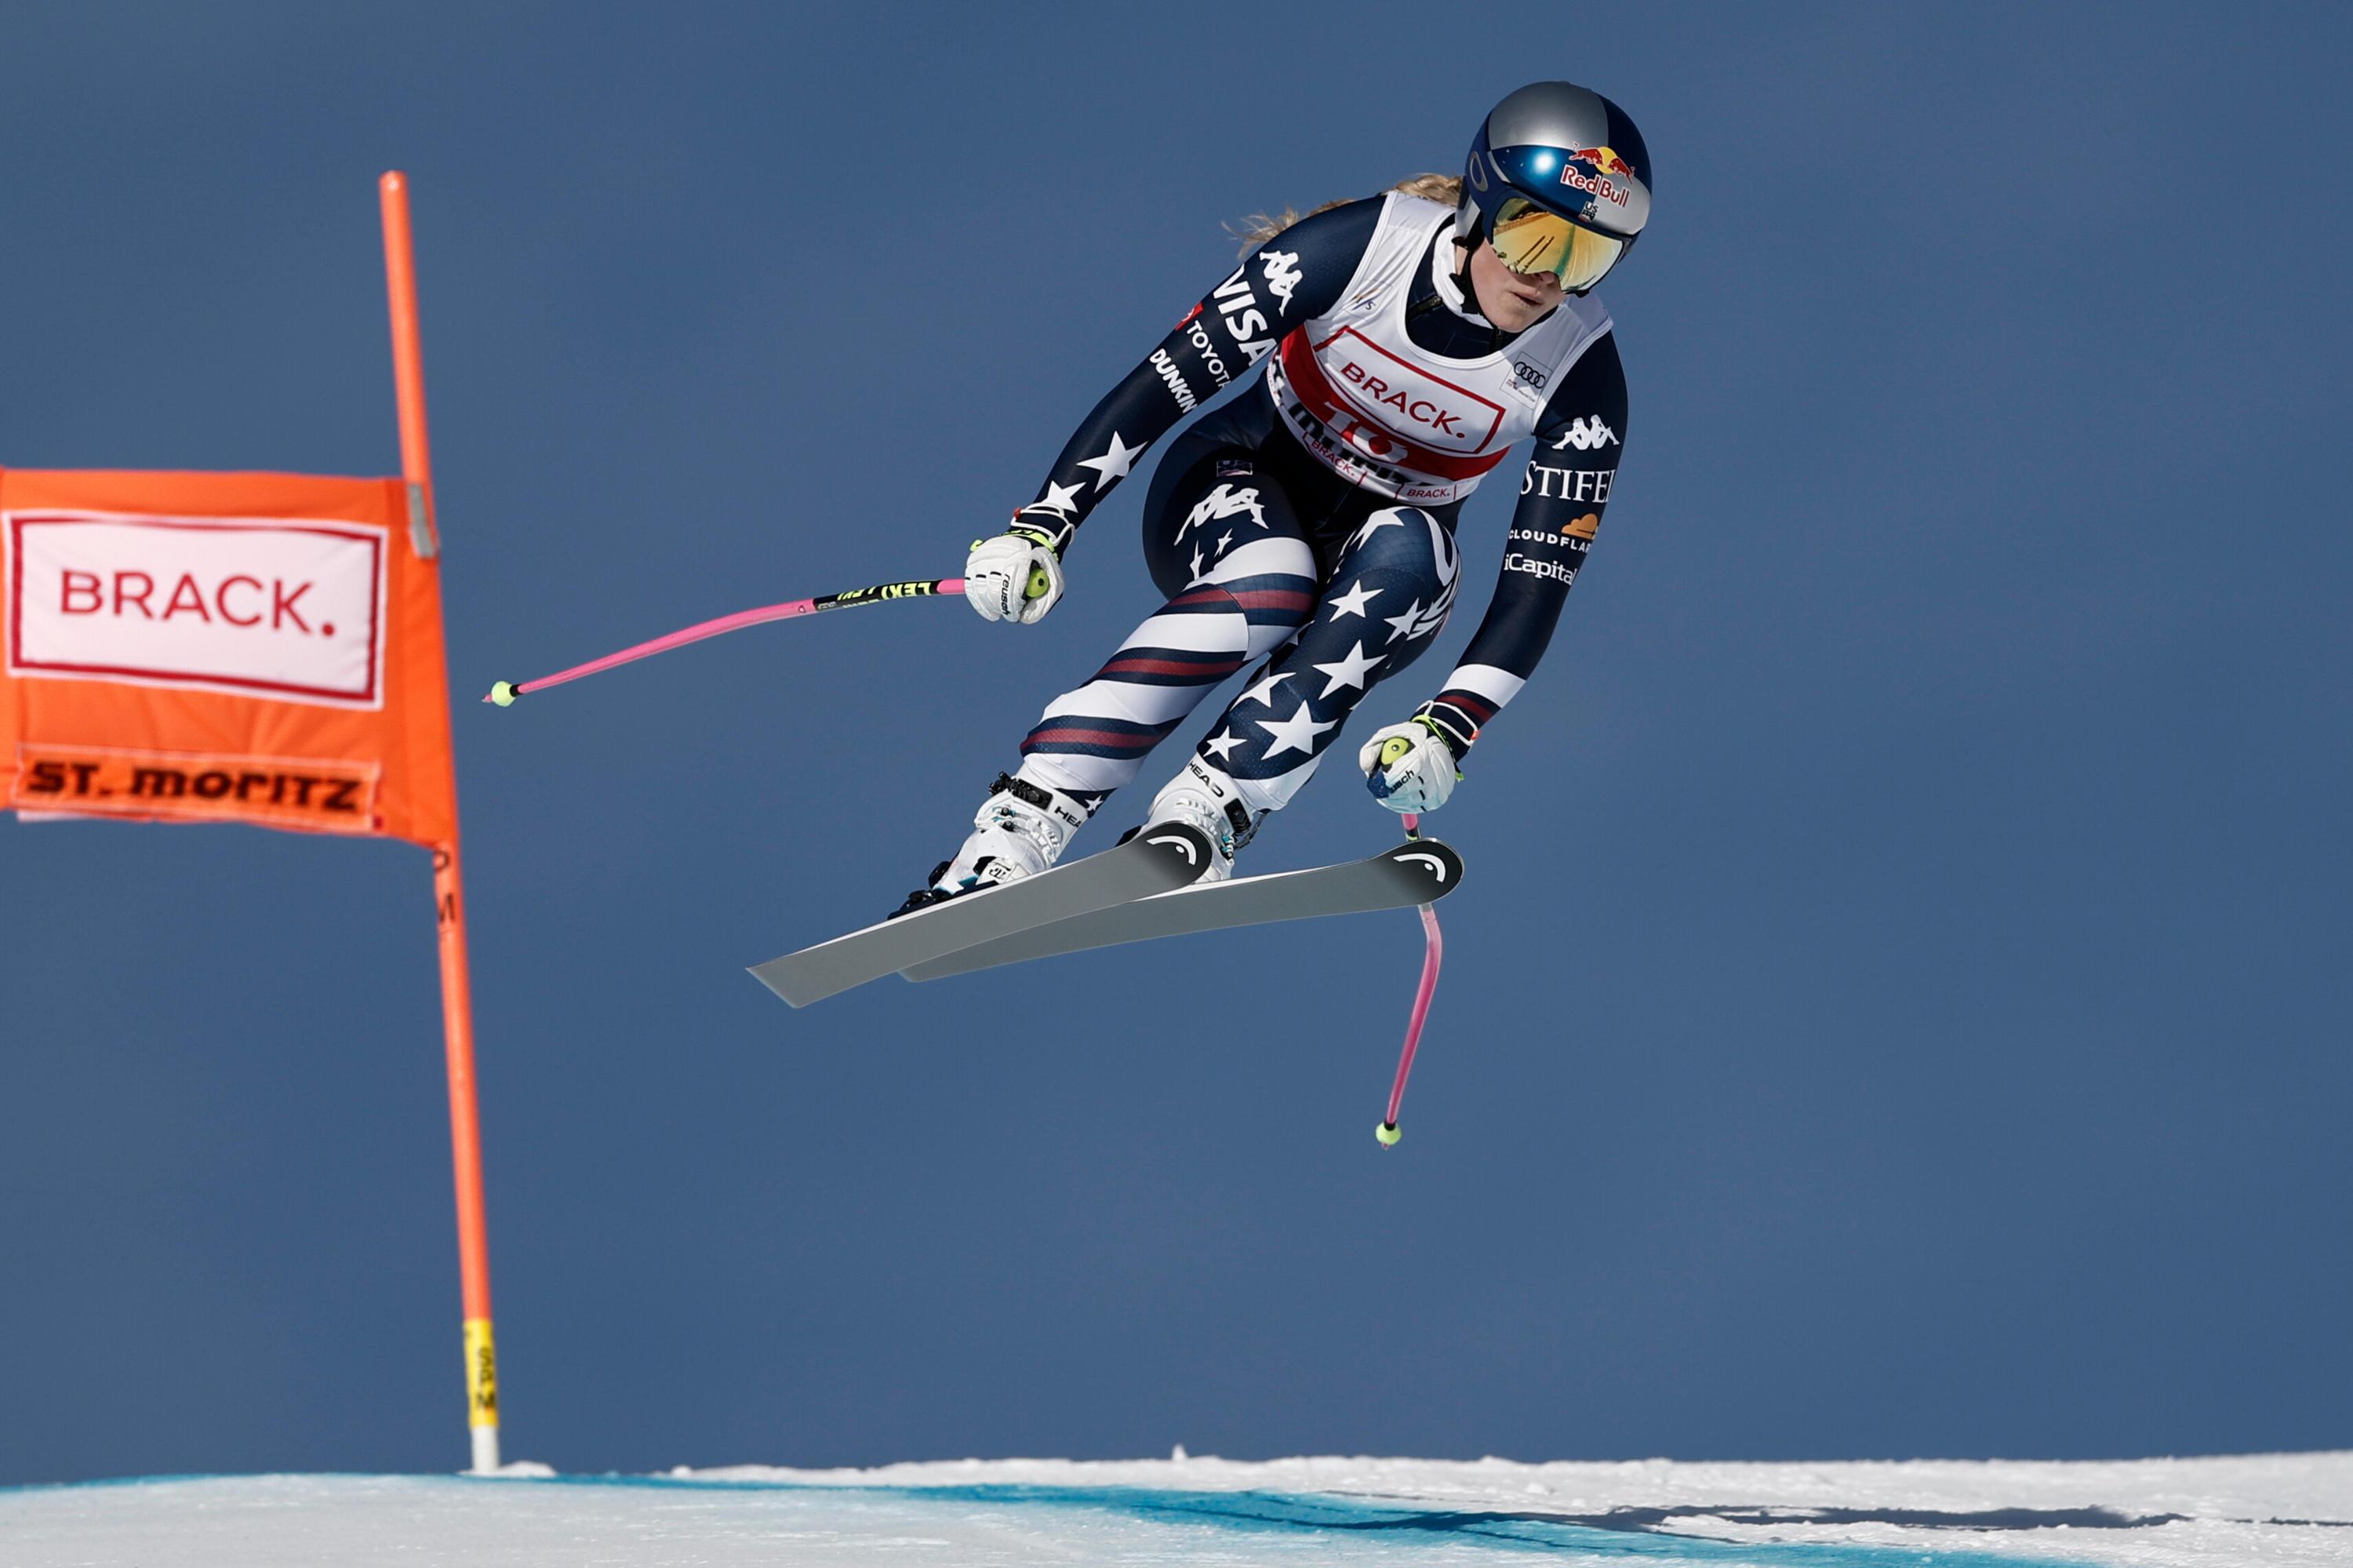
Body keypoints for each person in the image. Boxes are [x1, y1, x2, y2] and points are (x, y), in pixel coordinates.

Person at [906, 81, 1650, 913]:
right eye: (1533, 233)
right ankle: (1022, 821)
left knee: (1415, 550)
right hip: (1229, 485)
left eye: (1586, 256)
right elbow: (1166, 382)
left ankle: (1211, 808)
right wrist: (1047, 522)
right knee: (1274, 575)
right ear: (1482, 204)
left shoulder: (1581, 370)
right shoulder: (1359, 249)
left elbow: (1537, 585)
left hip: (1383, 582)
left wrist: (1449, 726)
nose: (1548, 276)